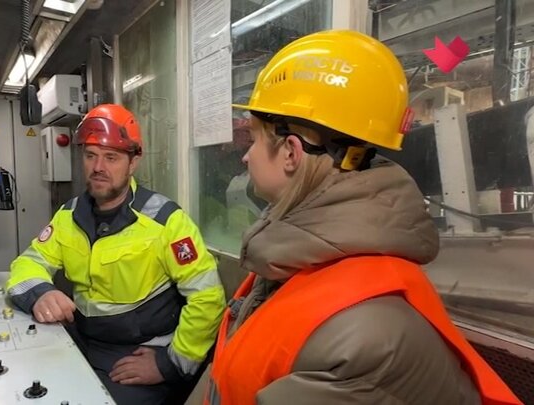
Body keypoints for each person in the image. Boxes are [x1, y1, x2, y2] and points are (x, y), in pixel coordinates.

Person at [190, 30, 523, 405]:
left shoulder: (364, 337)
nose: (246, 156)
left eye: (253, 139)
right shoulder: (296, 256)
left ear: (291, 152)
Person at [7, 104, 226, 405]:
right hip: (83, 341)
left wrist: (169, 363)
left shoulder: (166, 221)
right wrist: (40, 293)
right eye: (90, 155)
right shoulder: (69, 216)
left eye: (111, 157)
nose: (98, 167)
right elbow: (30, 261)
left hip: (138, 353)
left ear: (133, 162)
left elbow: (208, 297)